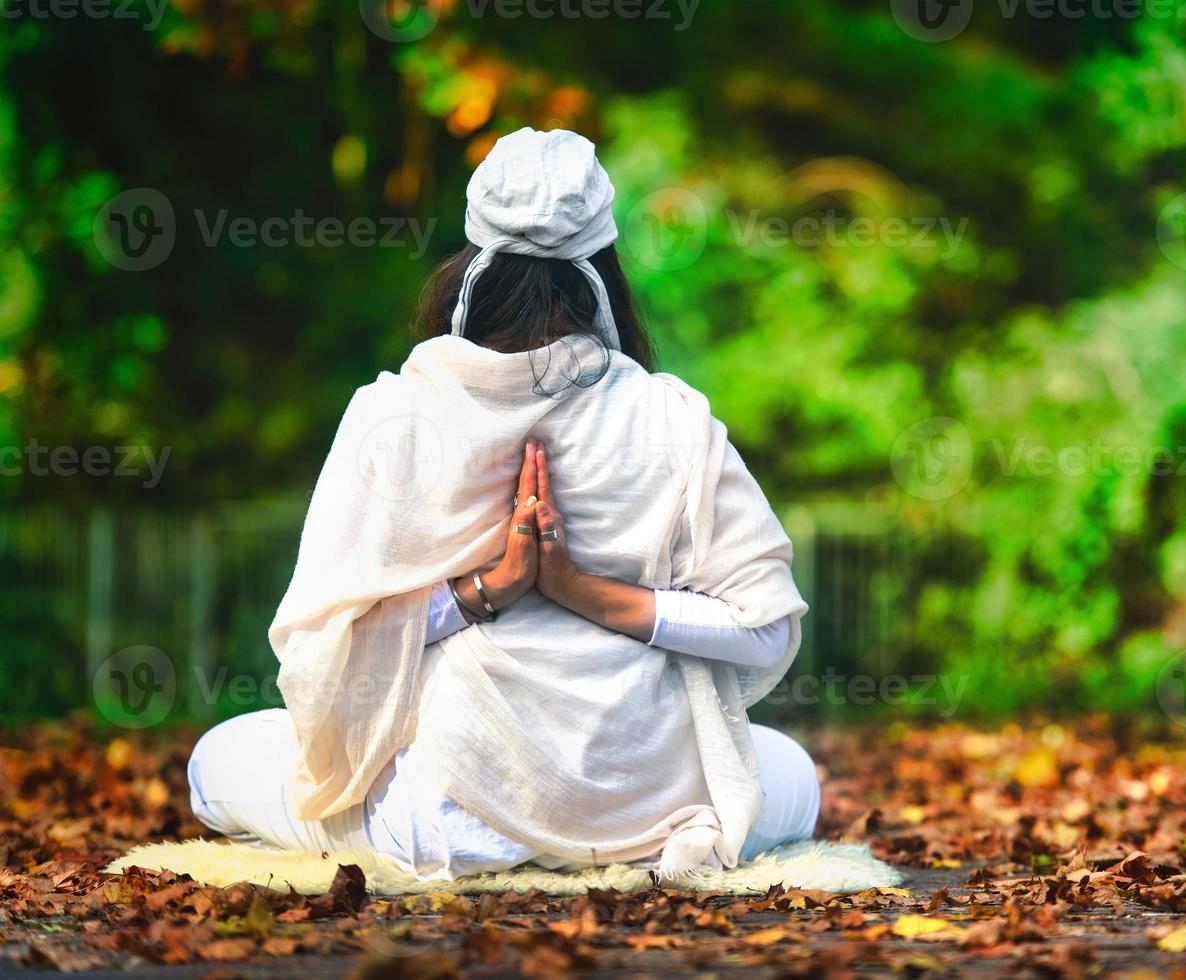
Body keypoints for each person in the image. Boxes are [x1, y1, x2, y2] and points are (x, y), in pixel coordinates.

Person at [185, 128, 819, 881]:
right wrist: (594, 598)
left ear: (471, 250)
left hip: (436, 823)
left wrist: (487, 590)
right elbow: (764, 627)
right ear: (604, 259)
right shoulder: (671, 416)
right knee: (791, 776)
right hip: (644, 813)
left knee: (216, 759)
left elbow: (323, 646)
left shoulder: (395, 413)